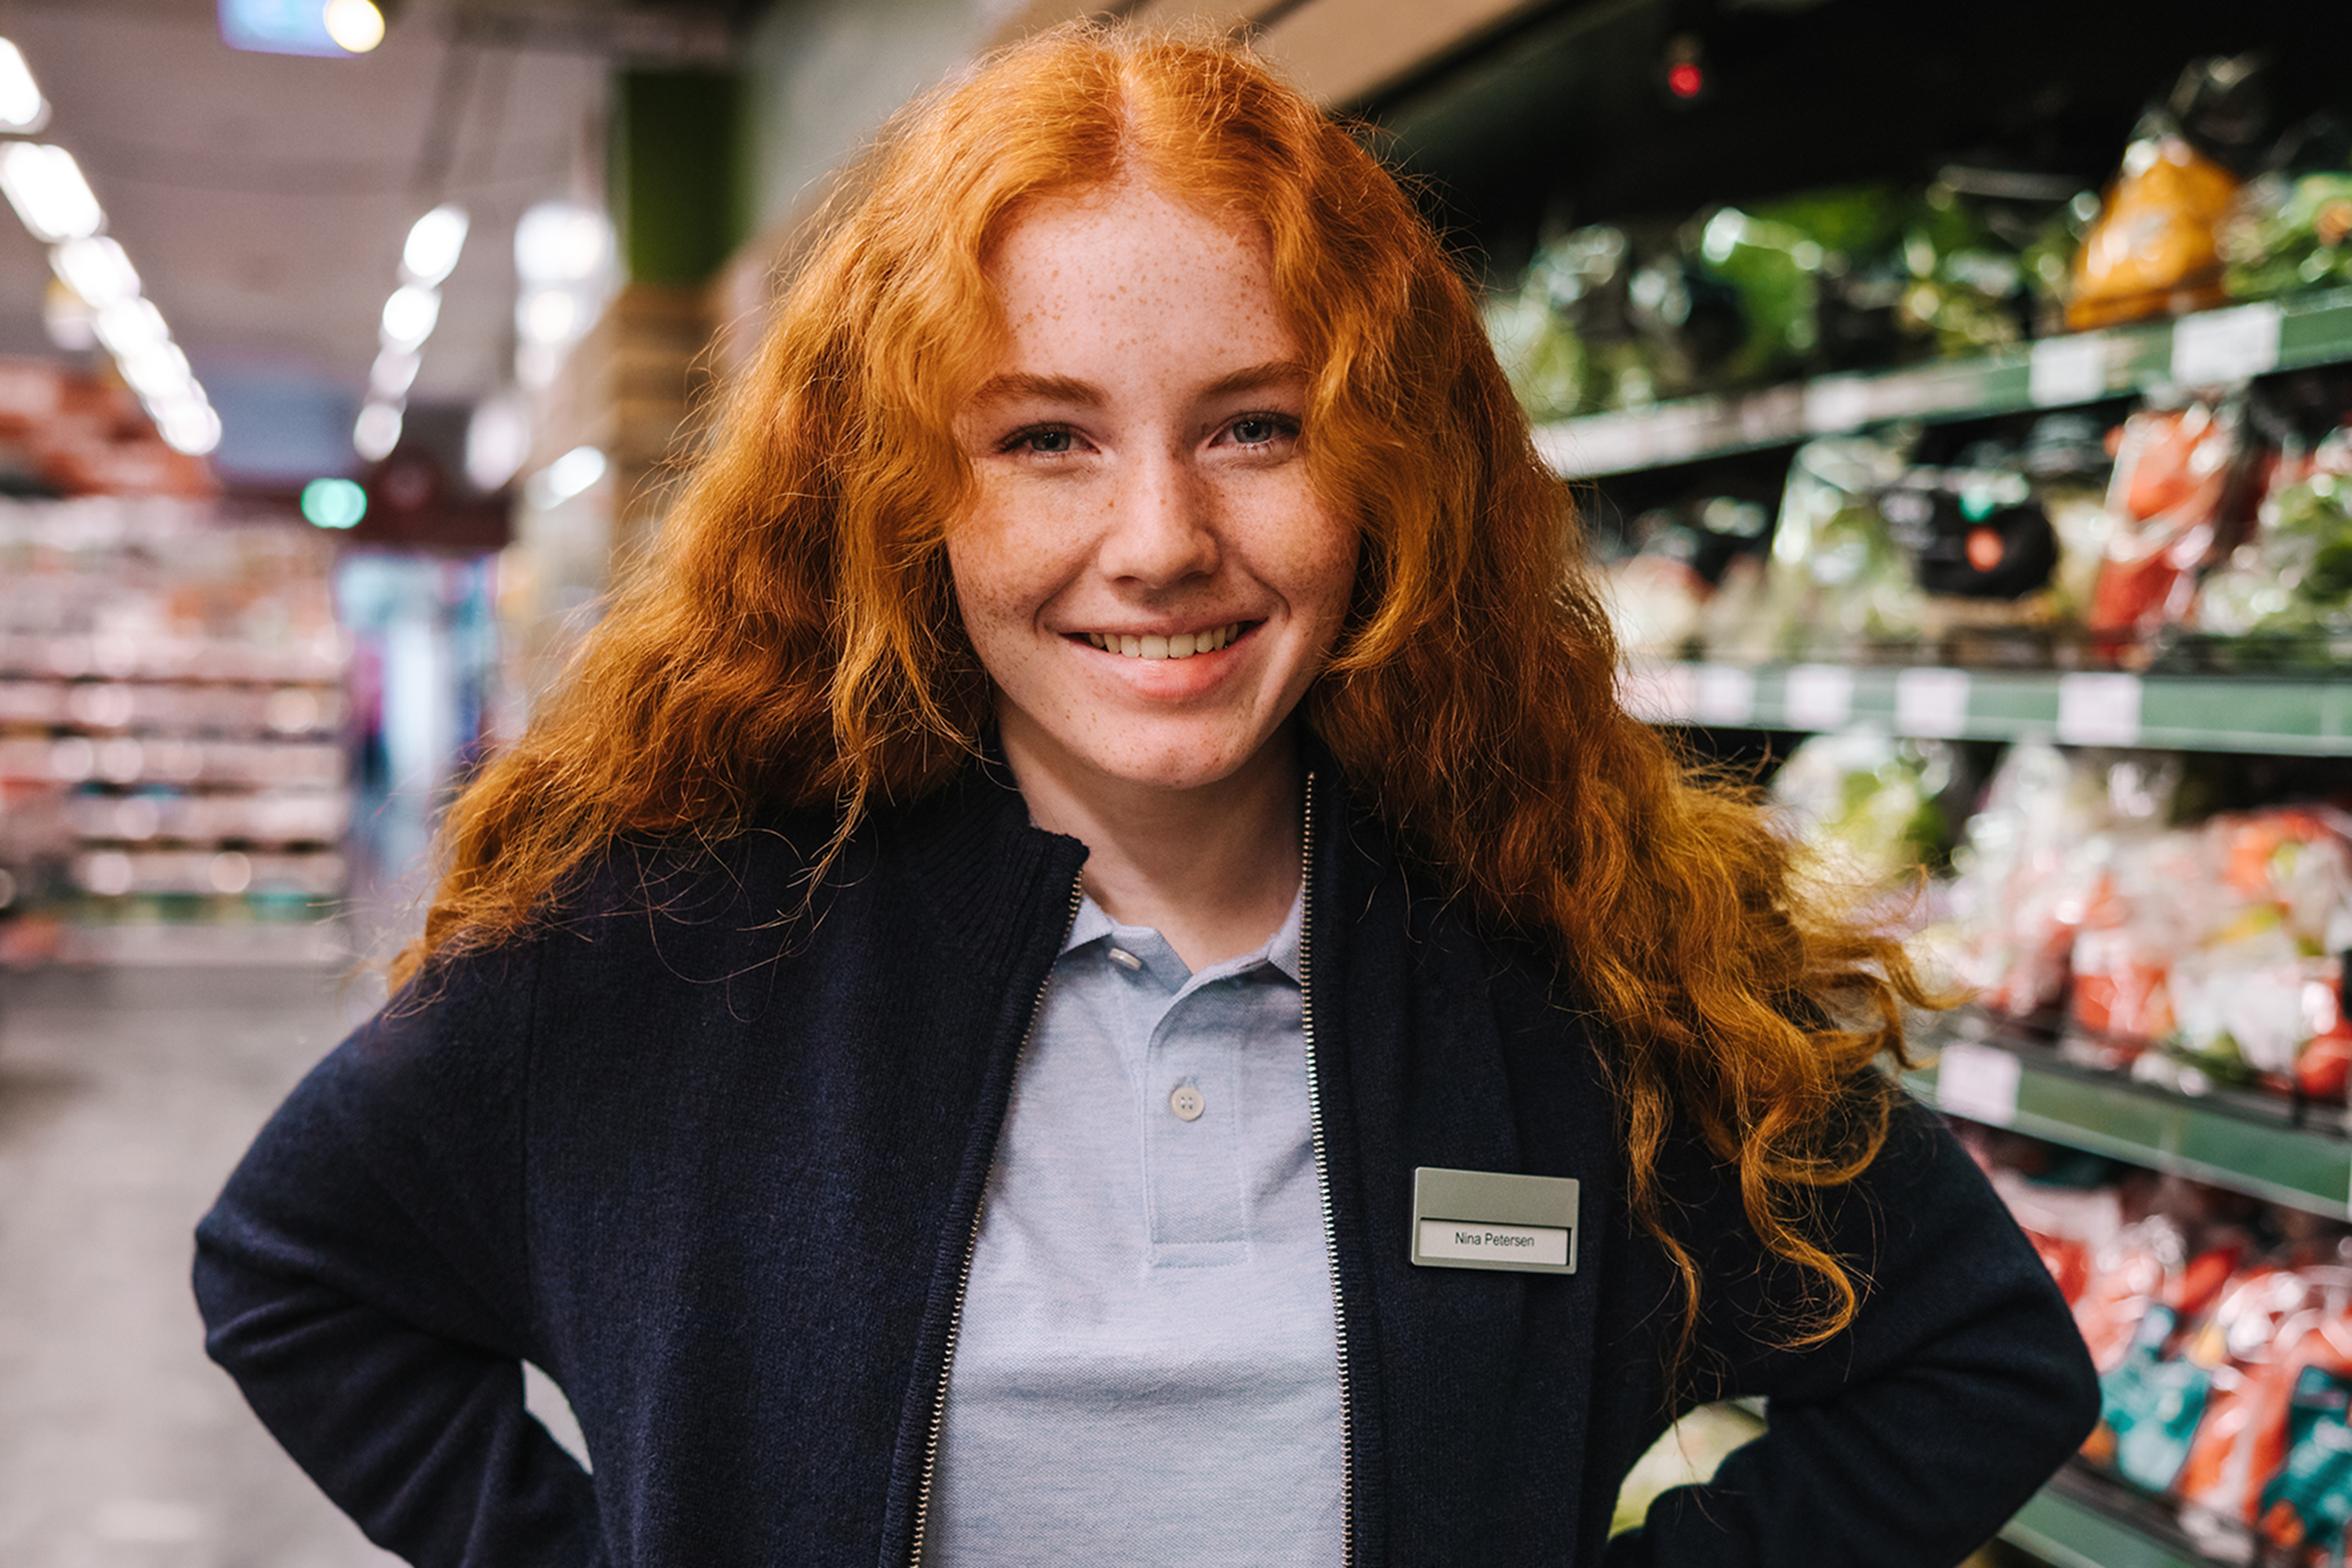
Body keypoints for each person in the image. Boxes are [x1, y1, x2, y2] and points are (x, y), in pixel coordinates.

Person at [194, 24, 2097, 1568]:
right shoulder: (685, 937)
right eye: (1046, 441)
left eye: (1256, 427)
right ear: (905, 497)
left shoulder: (1567, 961)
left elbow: (1978, 1362)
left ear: (1389, 472)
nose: (1162, 542)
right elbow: (298, 1274)